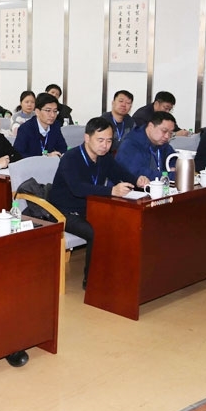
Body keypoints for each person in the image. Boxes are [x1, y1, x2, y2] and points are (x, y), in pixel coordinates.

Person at [48, 117, 150, 289]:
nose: (105, 145)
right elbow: (78, 189)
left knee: (126, 223)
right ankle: (92, 281)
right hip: (64, 211)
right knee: (97, 232)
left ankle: (118, 272)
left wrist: (138, 181)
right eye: (100, 140)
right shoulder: (71, 158)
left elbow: (121, 174)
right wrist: (111, 191)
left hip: (92, 207)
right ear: (87, 138)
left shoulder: (104, 158)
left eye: (109, 141)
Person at [116, 111, 177, 180]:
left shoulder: (162, 143)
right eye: (164, 131)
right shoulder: (131, 144)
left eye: (170, 133)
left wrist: (174, 167)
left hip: (157, 184)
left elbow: (174, 158)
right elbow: (139, 174)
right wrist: (169, 175)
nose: (167, 136)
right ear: (151, 126)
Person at [14, 92, 68, 159]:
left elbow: (63, 148)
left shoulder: (55, 126)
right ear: (37, 112)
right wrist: (45, 157)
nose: (52, 115)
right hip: (31, 164)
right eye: (48, 110)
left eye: (55, 111)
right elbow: (18, 154)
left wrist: (58, 155)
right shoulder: (25, 129)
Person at [100, 90, 135, 155]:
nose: (124, 105)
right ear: (113, 103)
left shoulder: (131, 122)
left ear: (130, 107)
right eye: (121, 101)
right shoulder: (103, 121)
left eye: (128, 103)